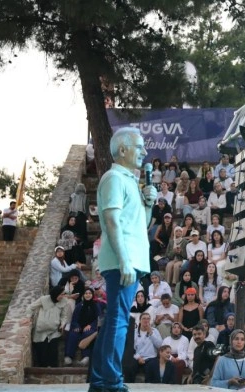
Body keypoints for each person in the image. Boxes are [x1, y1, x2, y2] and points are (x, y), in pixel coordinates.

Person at [89, 127, 157, 392]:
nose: (144, 152)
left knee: (113, 323)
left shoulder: (131, 182)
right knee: (118, 323)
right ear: (122, 149)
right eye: (139, 147)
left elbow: (141, 224)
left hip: (130, 260)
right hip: (122, 261)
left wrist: (148, 203)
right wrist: (125, 260)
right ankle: (111, 382)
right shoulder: (114, 178)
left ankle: (99, 381)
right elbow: (112, 221)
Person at [26, 286, 71, 367]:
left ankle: (53, 371)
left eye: (63, 294)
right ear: (56, 294)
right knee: (42, 353)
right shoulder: (44, 299)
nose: (63, 296)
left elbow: (64, 316)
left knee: (53, 353)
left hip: (54, 331)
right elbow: (31, 307)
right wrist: (28, 317)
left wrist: (62, 324)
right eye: (61, 294)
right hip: (41, 330)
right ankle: (42, 370)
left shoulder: (64, 302)